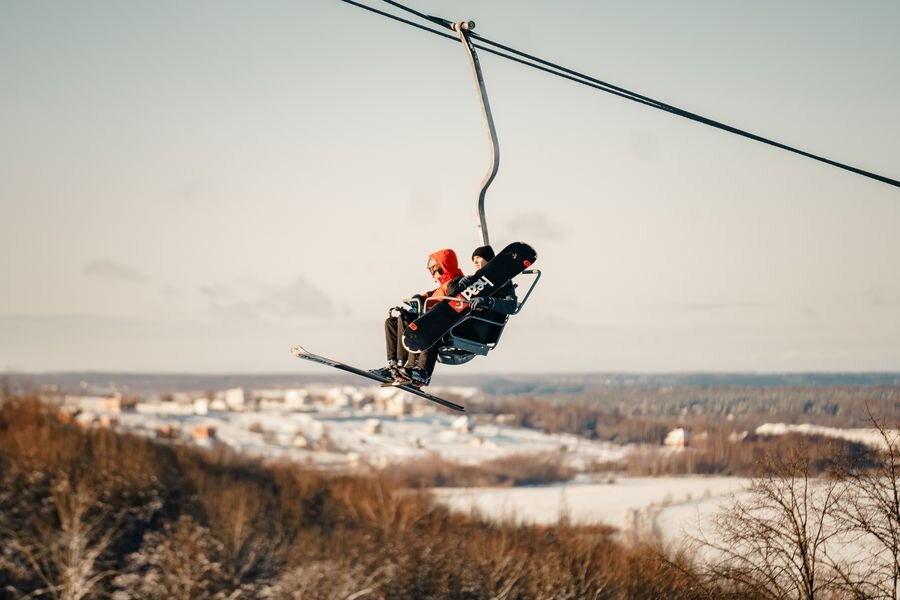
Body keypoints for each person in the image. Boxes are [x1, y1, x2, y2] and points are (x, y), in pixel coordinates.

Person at [375, 248, 464, 387]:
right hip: (430, 317)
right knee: (392, 321)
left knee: (414, 324)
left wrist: (428, 307)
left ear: (442, 267)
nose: (432, 274)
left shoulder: (456, 283)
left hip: (440, 323)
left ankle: (416, 369)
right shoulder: (443, 286)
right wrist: (419, 299)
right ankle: (394, 365)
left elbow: (451, 303)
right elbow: (430, 295)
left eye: (433, 270)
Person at [456, 245, 518, 343]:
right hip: (464, 322)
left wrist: (487, 302)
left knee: (440, 332)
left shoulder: (503, 282)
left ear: (488, 259)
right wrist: (461, 287)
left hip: (479, 329)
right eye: (473, 259)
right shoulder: (471, 280)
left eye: (478, 258)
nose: (475, 261)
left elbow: (511, 306)